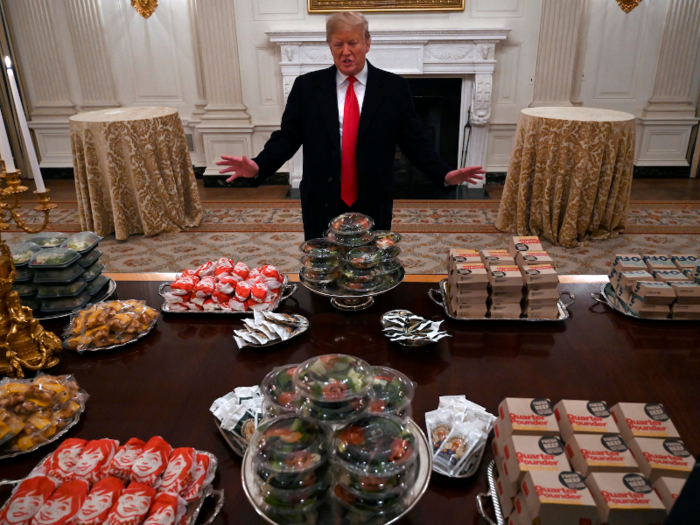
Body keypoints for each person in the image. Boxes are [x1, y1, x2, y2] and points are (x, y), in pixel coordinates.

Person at [217, 11, 485, 240]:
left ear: (367, 43)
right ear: (329, 46)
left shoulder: (394, 88)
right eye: (338, 44)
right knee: (324, 269)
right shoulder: (307, 87)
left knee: (369, 269)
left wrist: (444, 174)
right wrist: (259, 166)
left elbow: (414, 141)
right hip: (322, 197)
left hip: (372, 197)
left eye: (353, 43)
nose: (346, 52)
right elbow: (287, 137)